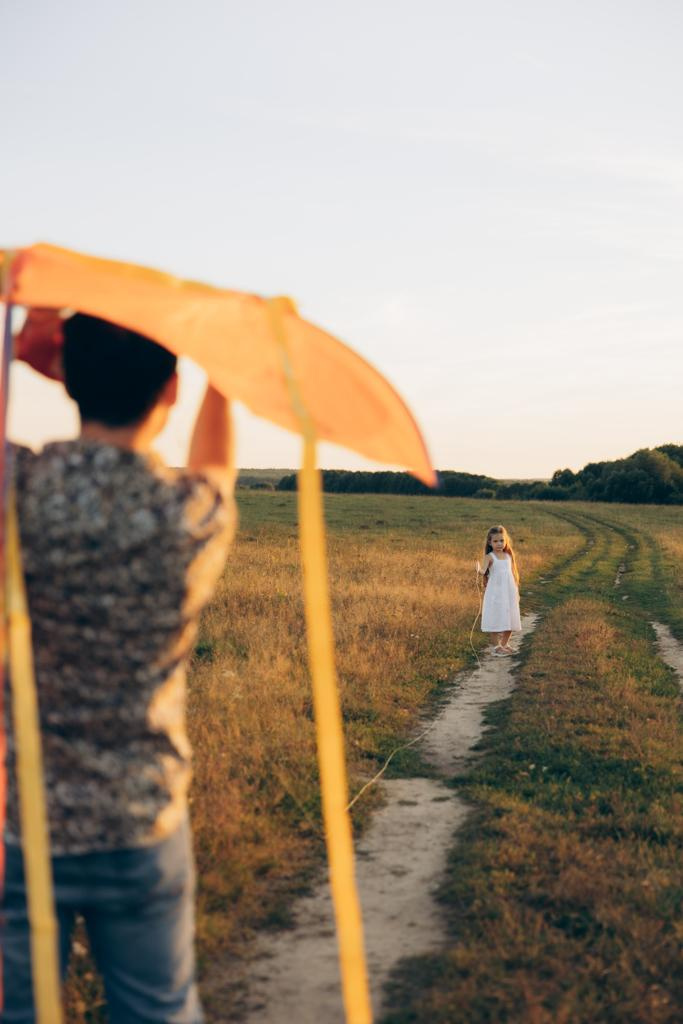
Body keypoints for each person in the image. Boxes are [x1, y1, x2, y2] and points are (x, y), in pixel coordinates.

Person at [1, 309, 236, 1023]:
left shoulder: (18, 485)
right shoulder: (188, 516)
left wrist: (20, 346)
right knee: (156, 1010)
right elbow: (216, 466)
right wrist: (223, 376)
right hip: (141, 813)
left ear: (66, 378)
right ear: (169, 393)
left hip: (19, 820)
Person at [476, 524, 521, 656]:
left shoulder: (508, 556)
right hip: (495, 593)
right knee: (495, 616)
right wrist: (479, 570)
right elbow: (484, 570)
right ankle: (496, 647)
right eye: (495, 541)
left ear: (506, 541)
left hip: (509, 591)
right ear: (490, 542)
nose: (499, 543)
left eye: (502, 540)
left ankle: (505, 644)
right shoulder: (490, 556)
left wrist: (516, 591)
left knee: (511, 616)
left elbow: (512, 574)